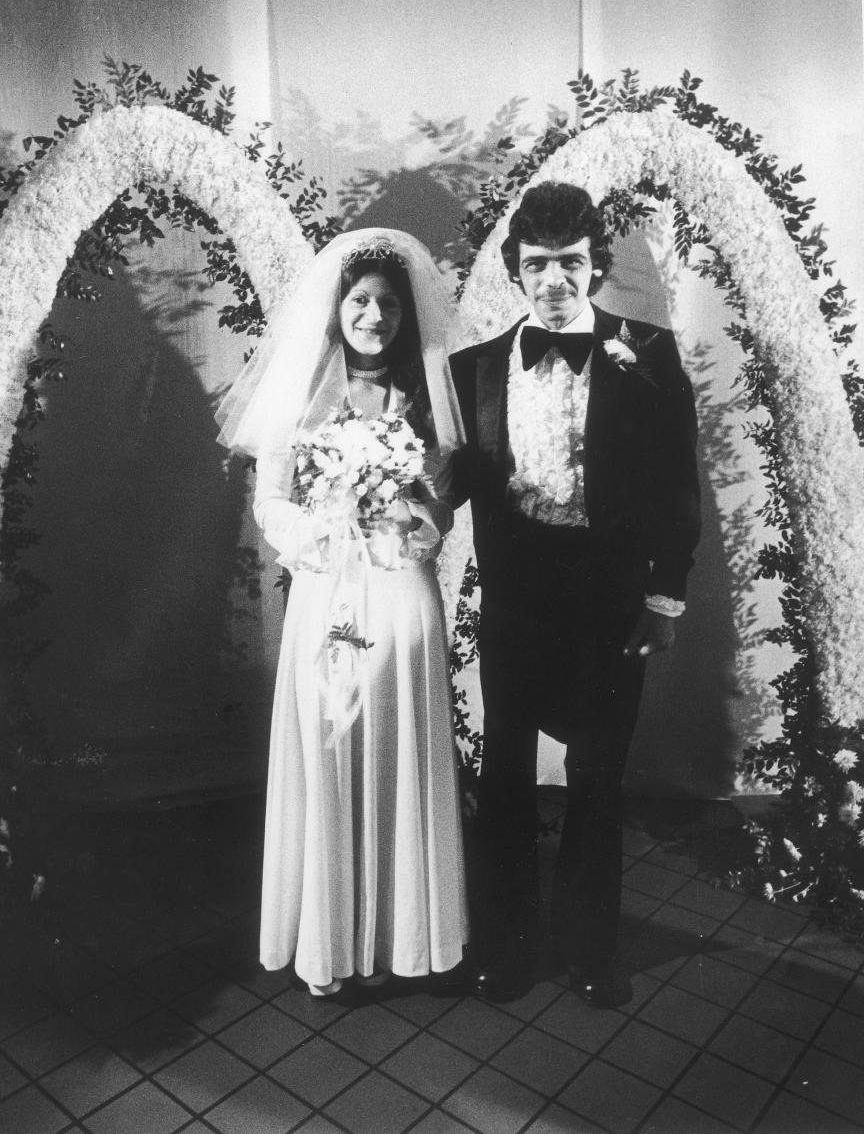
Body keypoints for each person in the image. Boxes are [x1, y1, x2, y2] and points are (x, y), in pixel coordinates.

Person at [450, 182, 700, 1008]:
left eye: (569, 264)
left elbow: (674, 488)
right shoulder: (475, 366)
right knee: (507, 775)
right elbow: (448, 482)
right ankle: (505, 947)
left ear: (592, 269)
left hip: (606, 599)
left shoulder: (649, 353)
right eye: (537, 266)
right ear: (515, 271)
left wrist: (662, 602)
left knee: (598, 779)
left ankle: (591, 949)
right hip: (517, 598)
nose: (553, 280)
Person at [216, 229, 468, 996]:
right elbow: (269, 501)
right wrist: (322, 530)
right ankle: (329, 941)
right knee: (329, 742)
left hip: (401, 594)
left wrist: (414, 518)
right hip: (329, 586)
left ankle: (402, 938)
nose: (375, 315)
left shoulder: (428, 396)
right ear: (338, 307)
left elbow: (445, 506)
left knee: (398, 744)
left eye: (389, 305)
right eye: (361, 301)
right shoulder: (301, 394)